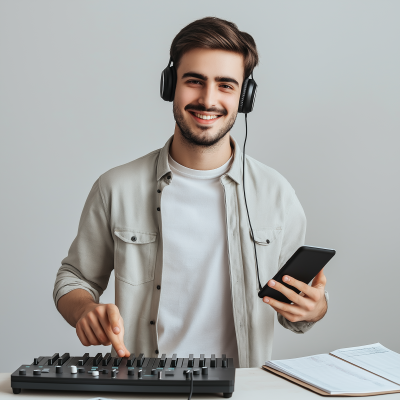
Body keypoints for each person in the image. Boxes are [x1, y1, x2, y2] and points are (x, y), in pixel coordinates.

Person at [53, 17, 328, 368]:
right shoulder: (115, 187)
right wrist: (85, 310)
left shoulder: (277, 194)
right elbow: (73, 279)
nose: (207, 99)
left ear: (245, 97)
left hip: (239, 390)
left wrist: (314, 309)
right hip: (143, 389)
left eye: (226, 85)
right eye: (194, 81)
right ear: (170, 85)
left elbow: (296, 309)